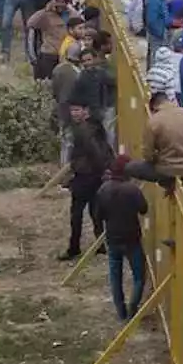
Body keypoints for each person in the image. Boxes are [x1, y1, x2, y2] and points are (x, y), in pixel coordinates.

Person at [95, 155, 149, 320]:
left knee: (115, 277)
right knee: (139, 276)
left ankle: (121, 311)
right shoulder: (132, 190)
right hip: (132, 238)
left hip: (113, 238)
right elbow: (144, 209)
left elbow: (98, 215)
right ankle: (133, 307)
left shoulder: (103, 190)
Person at [60, 98, 113, 260]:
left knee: (77, 213)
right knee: (95, 212)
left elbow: (95, 151)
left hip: (85, 176)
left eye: (78, 110)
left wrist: (98, 168)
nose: (74, 113)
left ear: (86, 111)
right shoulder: (96, 127)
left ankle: (74, 247)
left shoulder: (83, 130)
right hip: (94, 175)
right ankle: (100, 244)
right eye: (72, 110)